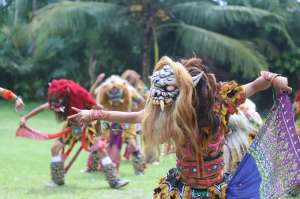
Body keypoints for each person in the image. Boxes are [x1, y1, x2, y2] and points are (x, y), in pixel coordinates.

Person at [69, 56, 292, 198]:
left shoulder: (221, 102)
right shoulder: (171, 115)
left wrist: (275, 78)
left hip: (217, 191)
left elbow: (255, 85)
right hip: (181, 191)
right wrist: (93, 114)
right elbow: (138, 116)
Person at [19, 79, 128, 188]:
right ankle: (57, 180)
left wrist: (105, 119)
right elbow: (43, 107)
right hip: (71, 128)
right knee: (55, 149)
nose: (56, 102)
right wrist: (25, 117)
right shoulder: (59, 102)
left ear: (65, 94)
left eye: (58, 98)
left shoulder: (80, 97)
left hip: (86, 128)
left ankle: (114, 180)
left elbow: (98, 108)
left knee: (100, 150)